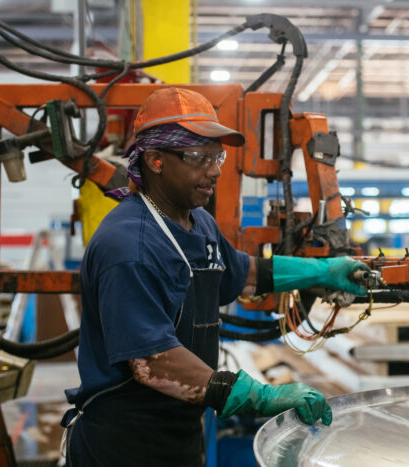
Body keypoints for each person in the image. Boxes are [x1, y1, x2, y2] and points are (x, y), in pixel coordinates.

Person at [61, 87, 368, 466]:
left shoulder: (199, 223)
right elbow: (151, 361)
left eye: (217, 156)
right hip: (122, 442)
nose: (216, 170)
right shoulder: (128, 246)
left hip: (180, 434)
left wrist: (324, 271)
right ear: (156, 160)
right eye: (199, 158)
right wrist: (260, 396)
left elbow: (241, 273)